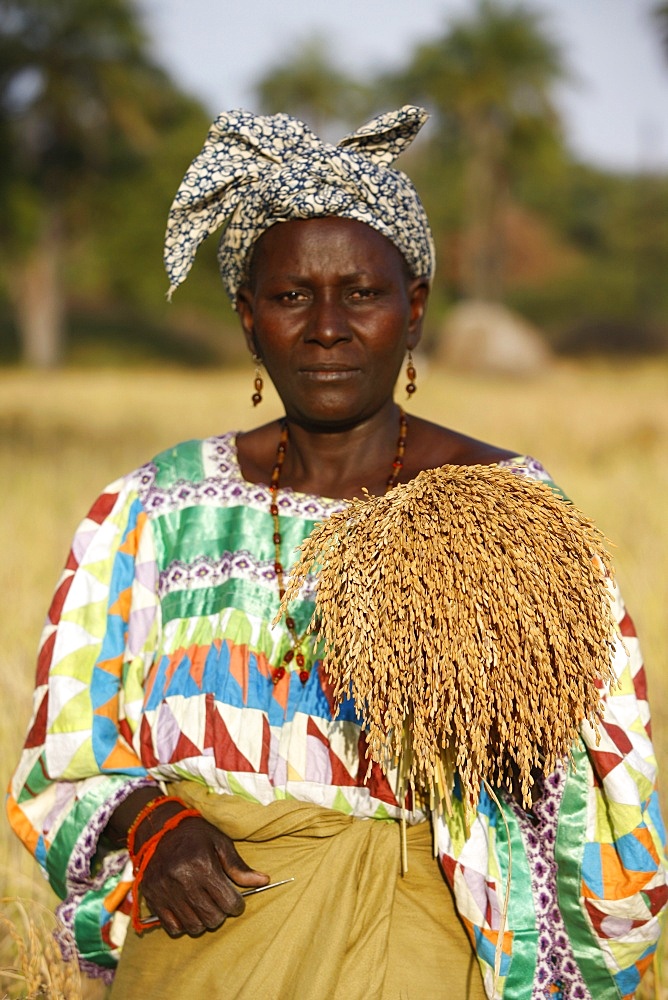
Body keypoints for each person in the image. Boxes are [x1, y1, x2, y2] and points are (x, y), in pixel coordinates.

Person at [7, 106, 667, 1000]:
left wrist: (491, 742)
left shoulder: (512, 510)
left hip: (430, 953)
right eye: (290, 296)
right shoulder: (153, 510)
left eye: (361, 292)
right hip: (210, 949)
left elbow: (607, 776)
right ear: (247, 321)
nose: (327, 326)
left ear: (415, 310)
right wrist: (152, 826)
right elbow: (62, 762)